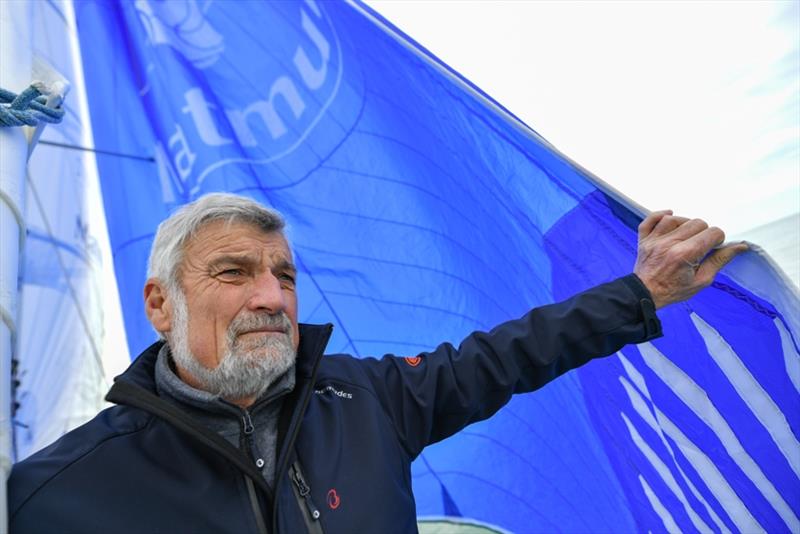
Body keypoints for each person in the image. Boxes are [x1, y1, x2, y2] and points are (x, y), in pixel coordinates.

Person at [8, 193, 747, 533]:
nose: (272, 297)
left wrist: (640, 291)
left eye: (286, 276)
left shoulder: (365, 398)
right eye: (234, 273)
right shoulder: (52, 496)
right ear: (161, 305)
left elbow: (508, 355)